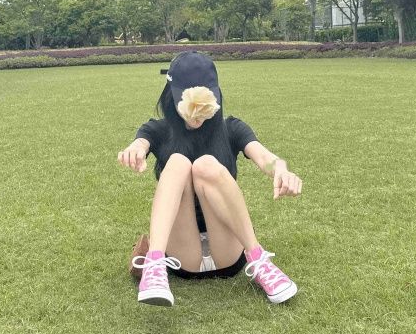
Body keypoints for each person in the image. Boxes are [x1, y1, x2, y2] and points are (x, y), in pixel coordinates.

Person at [117, 50, 302, 307]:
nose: (197, 114)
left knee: (205, 165)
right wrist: (135, 148)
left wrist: (280, 169)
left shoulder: (231, 128)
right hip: (183, 257)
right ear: (172, 97)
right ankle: (155, 265)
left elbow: (264, 157)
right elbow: (141, 142)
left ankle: (259, 260)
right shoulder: (158, 130)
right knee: (178, 162)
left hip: (228, 251)